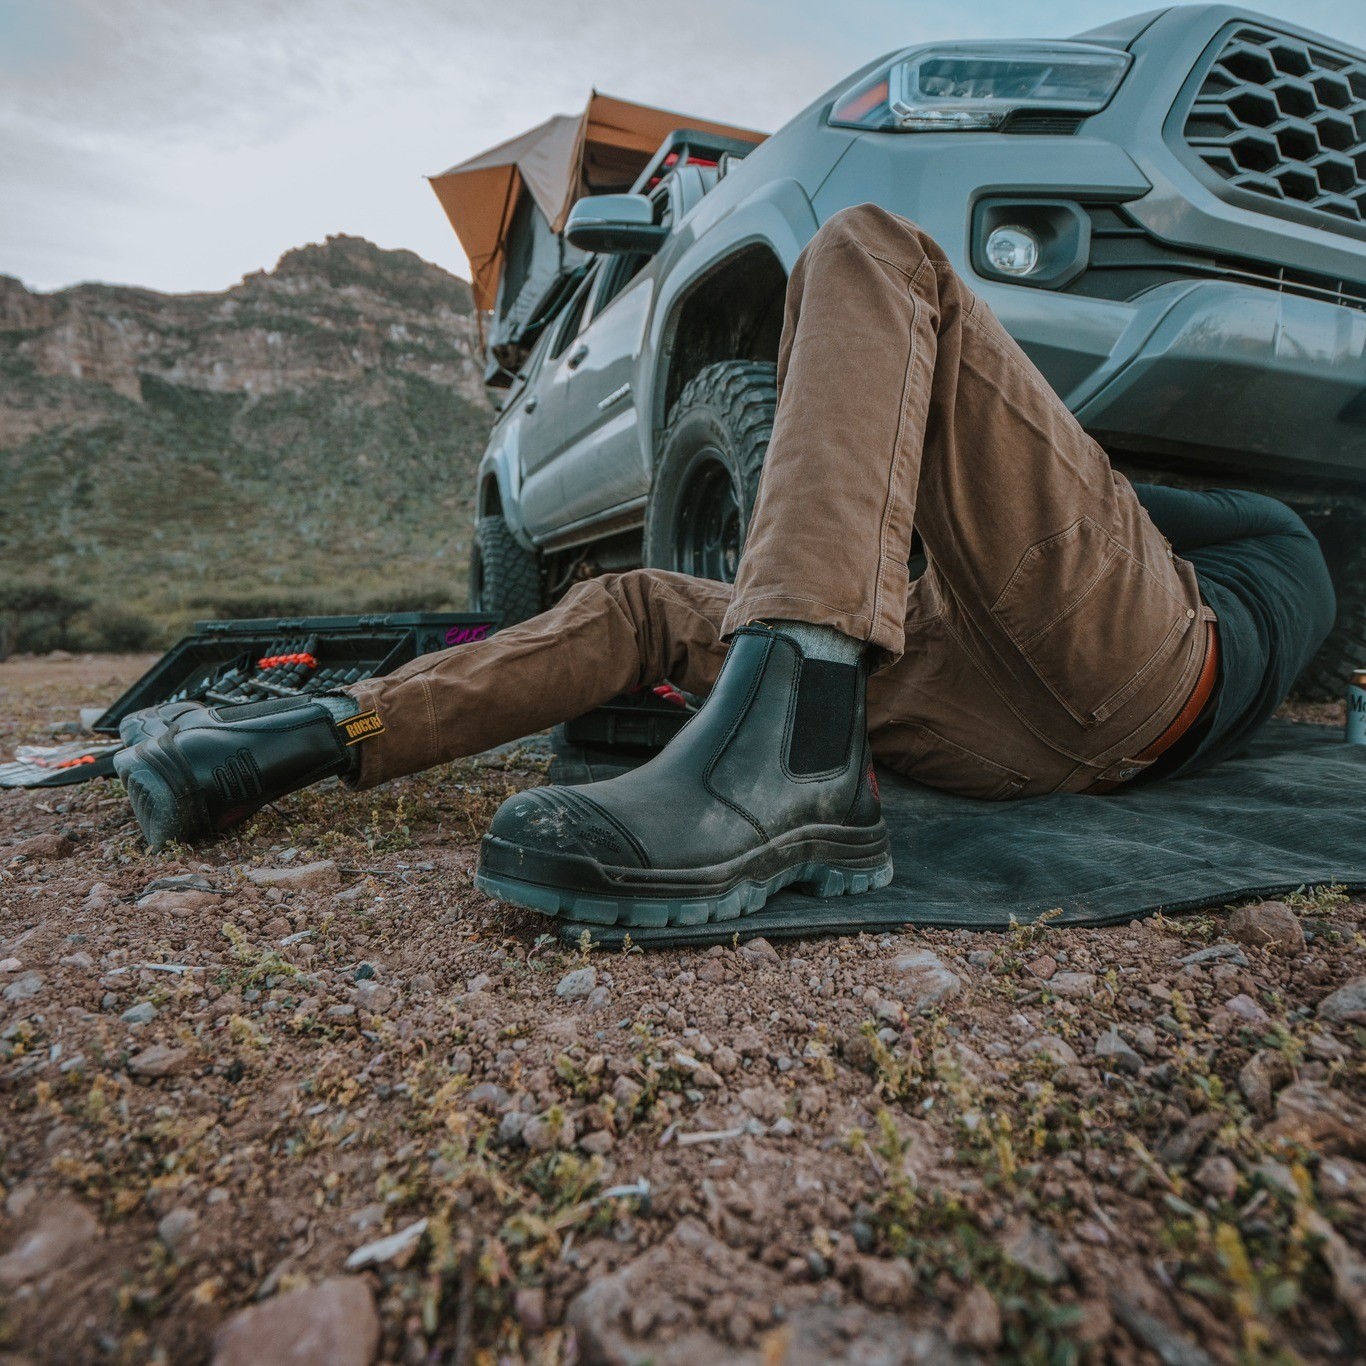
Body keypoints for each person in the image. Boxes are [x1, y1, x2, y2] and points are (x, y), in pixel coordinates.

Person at [115, 205, 1335, 929]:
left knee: (875, 249)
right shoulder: (1274, 578)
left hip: (1148, 660)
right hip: (999, 728)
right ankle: (305, 740)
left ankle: (789, 762)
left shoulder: (1268, 538)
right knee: (647, 600)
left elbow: (1076, 510)